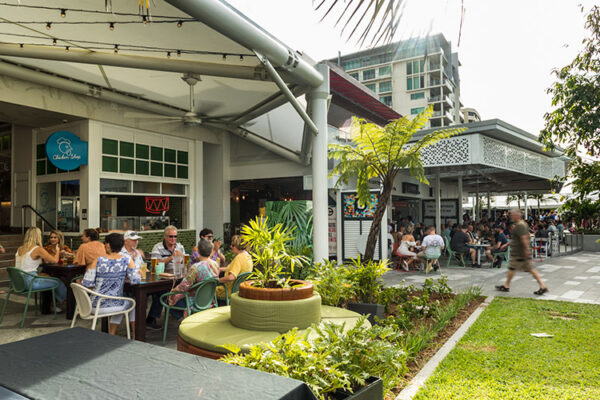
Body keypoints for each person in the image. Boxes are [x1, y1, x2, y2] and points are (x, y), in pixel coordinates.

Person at [82, 233, 140, 337]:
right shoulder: (127, 260)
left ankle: (112, 334)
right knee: (132, 302)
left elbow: (86, 282)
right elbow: (135, 280)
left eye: (105, 243)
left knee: (121, 302)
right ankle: (135, 335)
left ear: (108, 245)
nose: (104, 245)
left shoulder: (98, 260)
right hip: (113, 304)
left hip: (93, 304)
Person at [496, 209, 548, 295]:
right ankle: (506, 285)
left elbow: (524, 238)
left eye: (512, 215)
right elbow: (517, 239)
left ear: (517, 216)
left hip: (521, 253)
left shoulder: (520, 225)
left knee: (530, 269)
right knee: (512, 268)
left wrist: (526, 251)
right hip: (518, 253)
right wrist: (506, 245)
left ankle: (542, 286)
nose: (511, 216)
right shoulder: (520, 225)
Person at [15, 227, 67, 307]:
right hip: (30, 282)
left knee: (49, 278)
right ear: (37, 236)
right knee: (57, 282)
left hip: (19, 282)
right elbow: (55, 261)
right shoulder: (37, 249)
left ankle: (52, 306)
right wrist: (57, 250)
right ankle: (69, 304)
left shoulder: (20, 249)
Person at [168, 239, 219, 321]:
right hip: (209, 301)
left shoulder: (195, 268)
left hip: (194, 302)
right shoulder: (215, 264)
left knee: (169, 300)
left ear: (198, 251)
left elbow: (183, 286)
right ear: (211, 251)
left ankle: (184, 320)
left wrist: (173, 291)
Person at [146, 226, 185, 330]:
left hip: (177, 276)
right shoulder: (157, 247)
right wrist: (171, 258)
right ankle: (151, 319)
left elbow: (184, 263)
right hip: (162, 277)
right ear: (165, 236)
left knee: (180, 291)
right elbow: (156, 264)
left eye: (175, 236)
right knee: (161, 293)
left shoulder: (180, 247)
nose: (173, 239)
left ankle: (179, 314)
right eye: (170, 236)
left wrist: (181, 259)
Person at [216, 235, 252, 303]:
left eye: (233, 245)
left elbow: (231, 277)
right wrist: (220, 269)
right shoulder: (248, 257)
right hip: (240, 289)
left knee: (210, 289)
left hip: (230, 291)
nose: (231, 247)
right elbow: (233, 268)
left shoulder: (239, 258)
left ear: (238, 246)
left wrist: (218, 280)